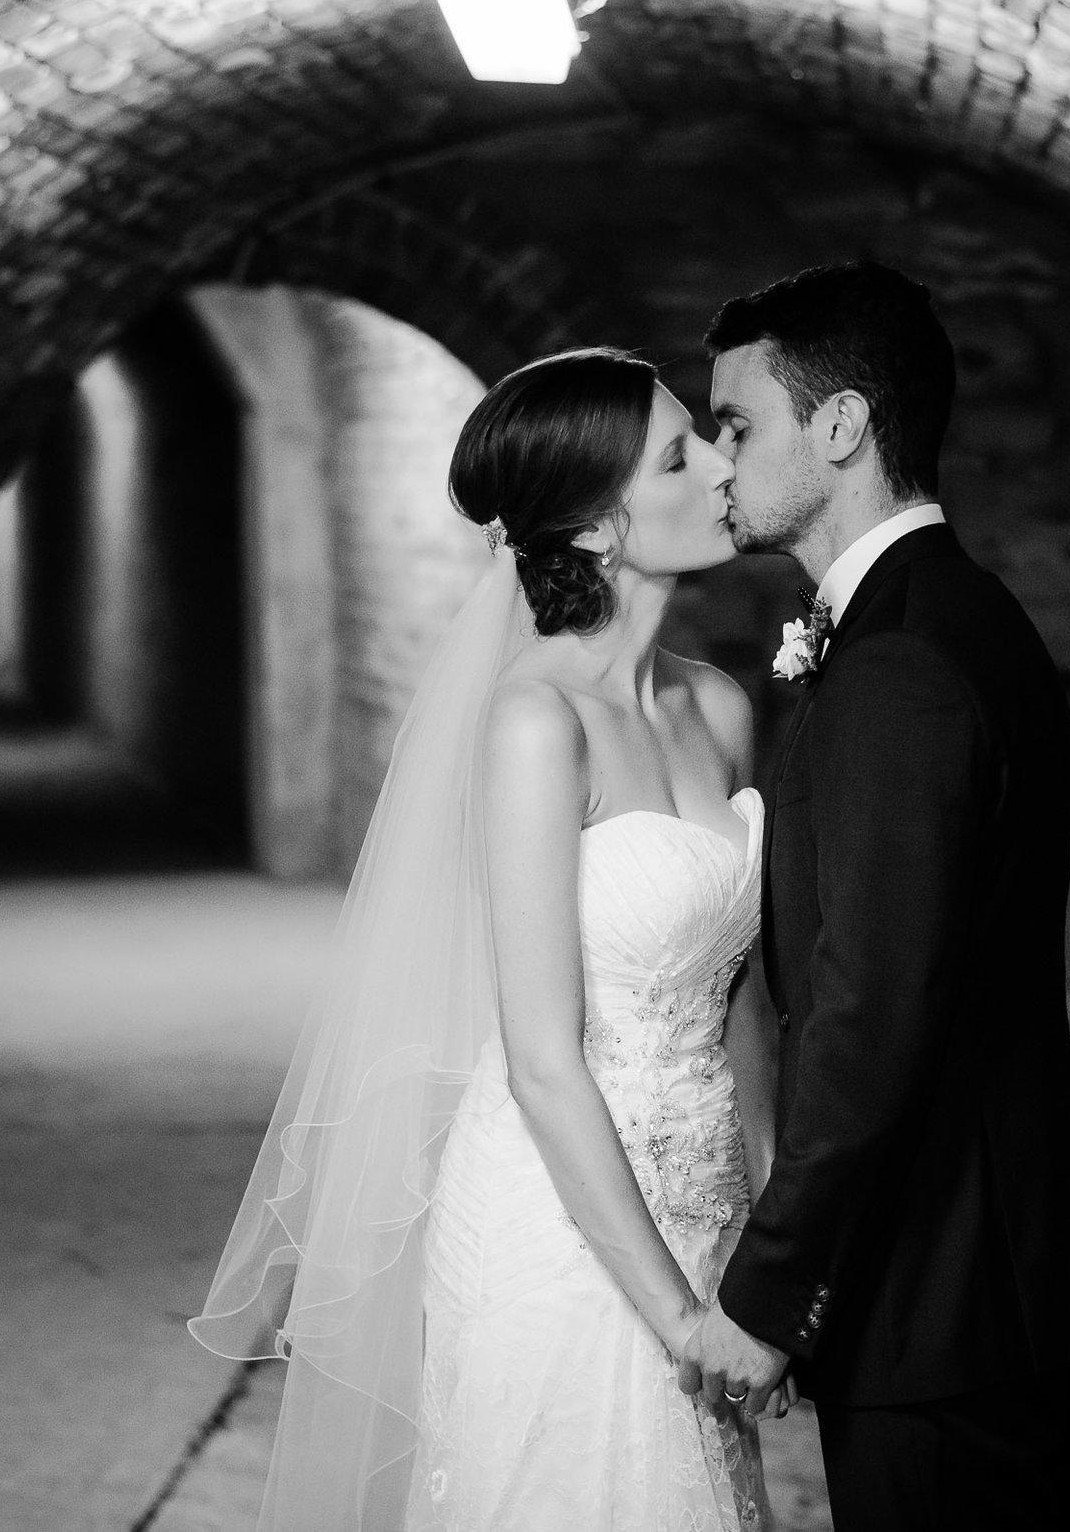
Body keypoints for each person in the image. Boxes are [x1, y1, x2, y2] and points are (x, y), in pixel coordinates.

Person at [189, 347, 779, 1531]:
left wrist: (773, 1242)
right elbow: (541, 1058)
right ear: (603, 530)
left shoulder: (716, 705)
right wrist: (675, 1316)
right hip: (557, 1225)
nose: (722, 465)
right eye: (682, 452)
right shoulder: (531, 721)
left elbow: (744, 1004)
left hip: (709, 1208)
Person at [677, 260, 1070, 1531]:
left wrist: (769, 1292)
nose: (719, 462)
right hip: (978, 1277)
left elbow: (873, 1013)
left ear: (839, 427)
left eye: (736, 425)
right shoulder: (938, 618)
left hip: (948, 1292)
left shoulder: (903, 665)